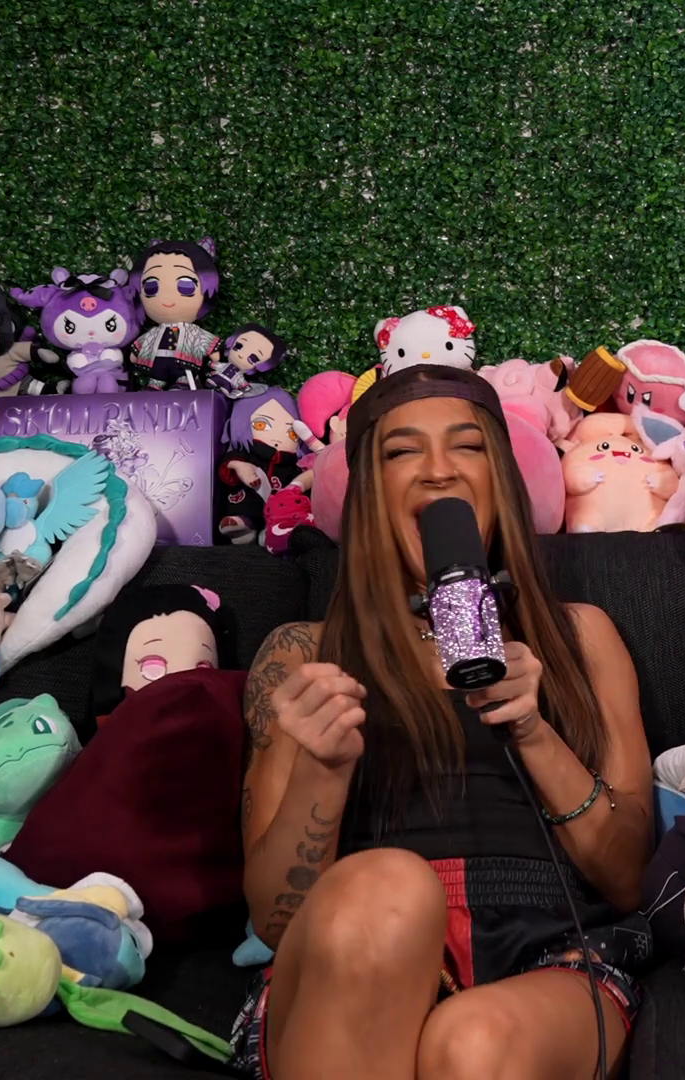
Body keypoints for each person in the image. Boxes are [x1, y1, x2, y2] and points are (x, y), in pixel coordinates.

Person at [232, 365, 655, 1079]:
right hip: (362, 952)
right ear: (368, 493)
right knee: (388, 892)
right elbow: (278, 920)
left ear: (501, 481)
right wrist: (322, 770)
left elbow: (626, 880)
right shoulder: (304, 654)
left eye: (467, 446)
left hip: (550, 955)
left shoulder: (581, 637)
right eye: (402, 451)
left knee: (473, 1043)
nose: (438, 470)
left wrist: (533, 731)